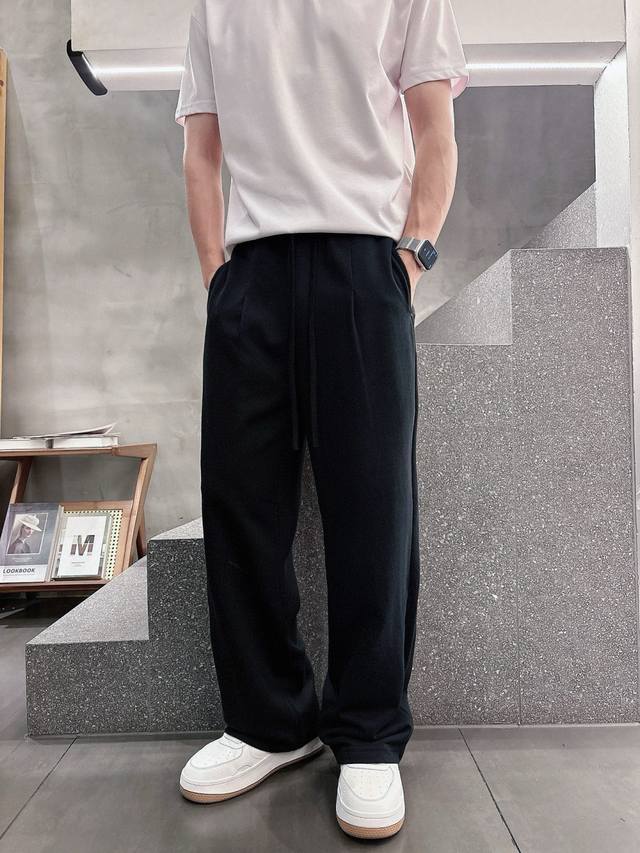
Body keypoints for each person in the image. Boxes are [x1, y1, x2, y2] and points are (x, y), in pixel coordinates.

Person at [174, 0, 468, 839]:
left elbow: (436, 132)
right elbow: (201, 149)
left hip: (363, 264)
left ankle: (368, 732)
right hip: (252, 273)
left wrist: (411, 258)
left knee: (375, 510)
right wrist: (218, 279)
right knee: (241, 505)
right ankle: (269, 720)